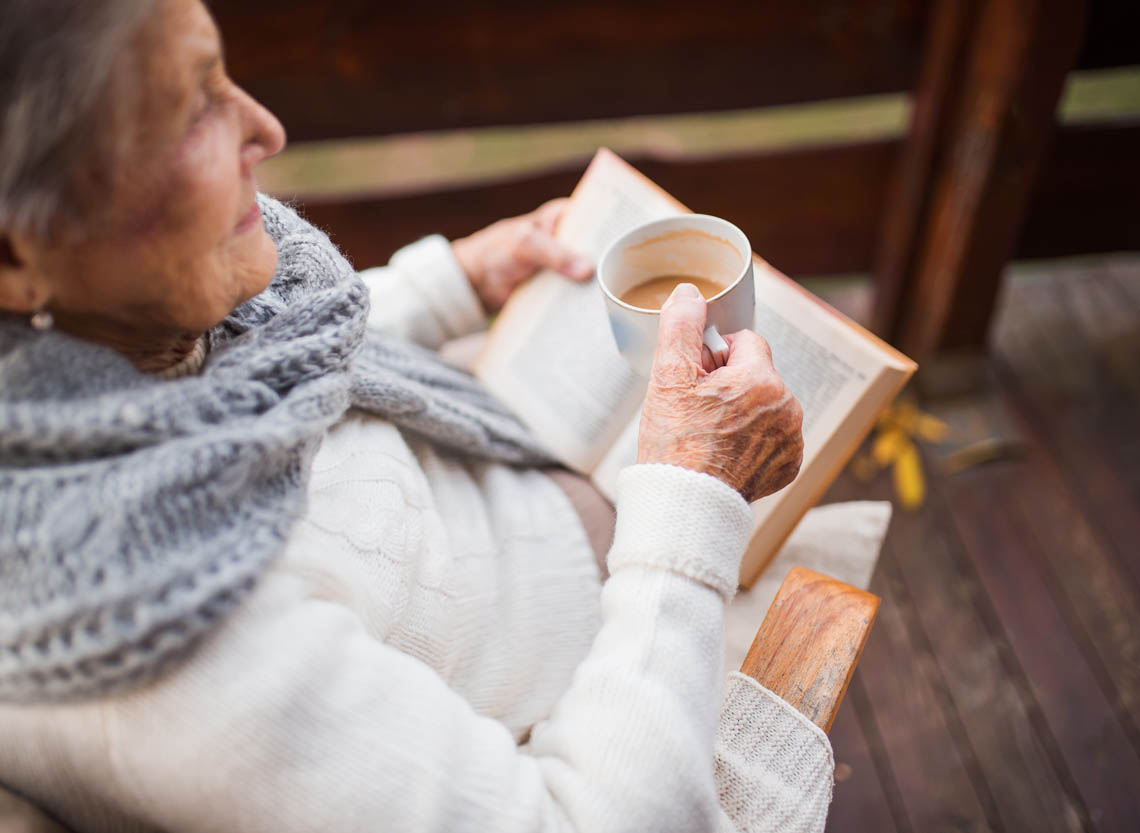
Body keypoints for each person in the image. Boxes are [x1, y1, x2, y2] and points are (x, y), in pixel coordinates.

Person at [0, 1, 830, 831]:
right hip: (633, 664)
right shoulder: (164, 650)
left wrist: (454, 285)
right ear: (14, 257)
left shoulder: (112, 346)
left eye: (223, 74)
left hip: (537, 502)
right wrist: (690, 501)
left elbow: (243, 371)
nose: (267, 130)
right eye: (187, 113)